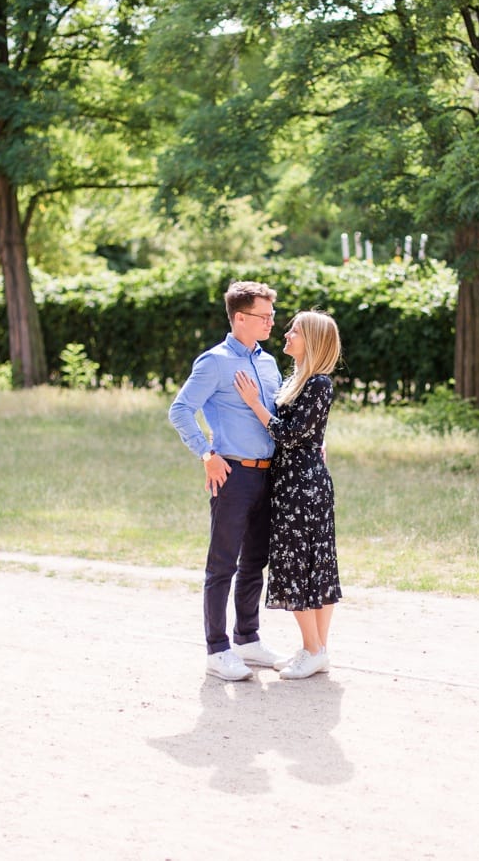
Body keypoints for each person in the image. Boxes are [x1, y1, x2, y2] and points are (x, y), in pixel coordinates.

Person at [168, 280, 290, 681]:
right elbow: (181, 409)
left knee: (256, 560)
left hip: (268, 475)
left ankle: (247, 638)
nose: (272, 322)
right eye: (264, 316)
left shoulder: (269, 363)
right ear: (240, 318)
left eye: (272, 315)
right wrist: (206, 453)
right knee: (222, 564)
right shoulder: (214, 362)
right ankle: (217, 649)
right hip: (233, 474)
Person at [234, 309, 343, 680]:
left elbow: (290, 434)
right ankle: (316, 650)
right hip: (295, 481)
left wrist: (254, 404)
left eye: (294, 330)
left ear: (310, 340)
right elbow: (309, 431)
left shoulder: (318, 383)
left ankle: (314, 649)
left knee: (302, 565)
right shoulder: (298, 380)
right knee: (311, 565)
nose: (286, 334)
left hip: (302, 487)